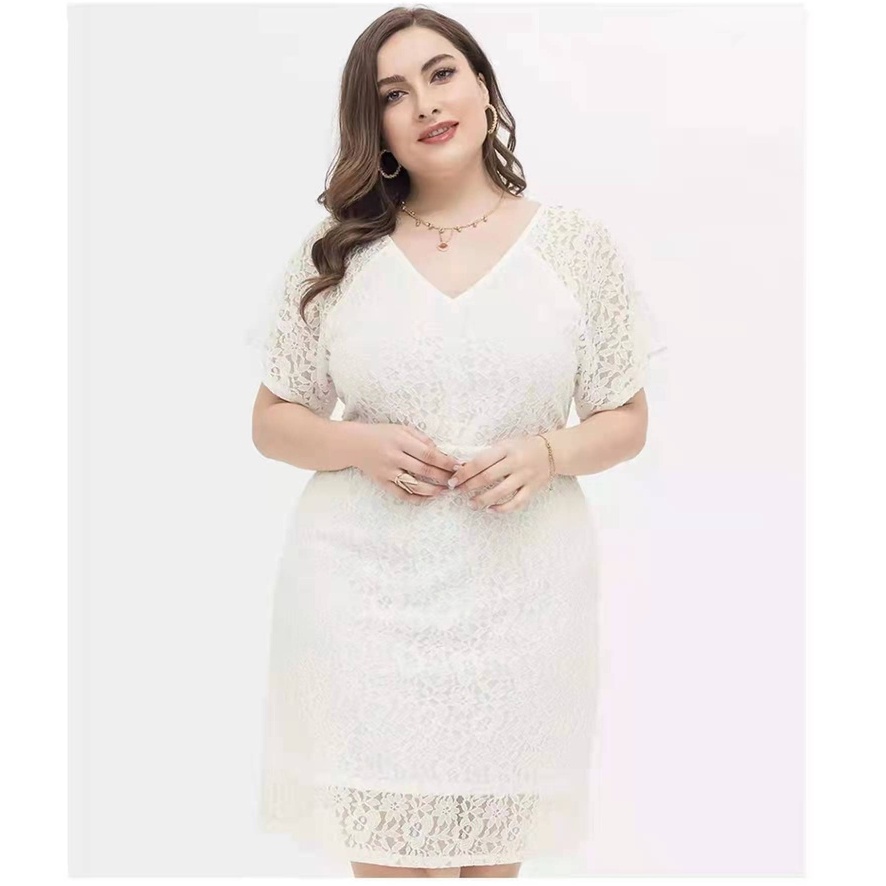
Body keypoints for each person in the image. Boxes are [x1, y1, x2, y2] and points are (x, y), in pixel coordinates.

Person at [250, 5, 666, 879]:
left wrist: (549, 454)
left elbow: (626, 420)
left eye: (442, 74)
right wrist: (358, 444)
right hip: (363, 606)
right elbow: (273, 420)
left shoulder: (575, 249)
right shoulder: (340, 254)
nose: (427, 103)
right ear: (376, 128)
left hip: (522, 609)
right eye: (393, 94)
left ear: (482, 86)